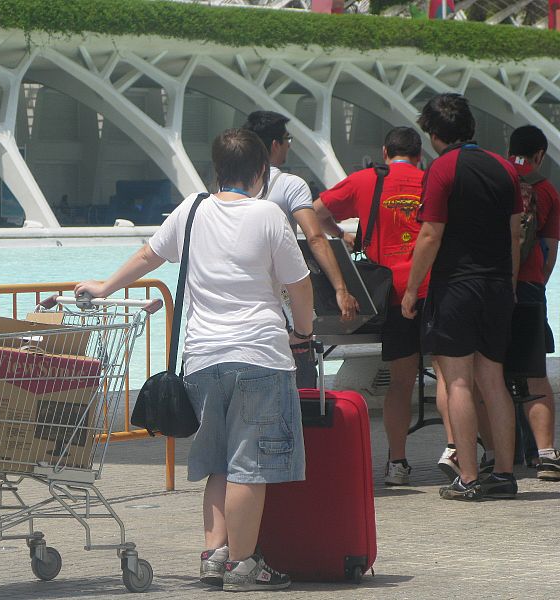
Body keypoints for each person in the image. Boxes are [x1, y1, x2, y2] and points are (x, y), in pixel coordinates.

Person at [75, 128, 313, 591]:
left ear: (216, 171)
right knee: (251, 464)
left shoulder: (192, 208)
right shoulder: (268, 215)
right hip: (259, 355)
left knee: (218, 460)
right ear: (262, 172)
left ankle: (214, 554)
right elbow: (299, 285)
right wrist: (303, 331)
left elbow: (149, 254)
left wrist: (105, 287)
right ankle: (244, 565)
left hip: (202, 357)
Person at [402, 93, 521, 501]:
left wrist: (412, 289)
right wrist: (510, 282)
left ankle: (468, 478)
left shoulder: (442, 169)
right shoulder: (504, 167)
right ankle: (504, 474)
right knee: (494, 380)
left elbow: (431, 233)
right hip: (497, 286)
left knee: (458, 383)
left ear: (434, 134)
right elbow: (514, 233)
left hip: (456, 286)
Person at [313, 126, 440, 486]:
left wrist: (342, 234)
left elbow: (317, 211)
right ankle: (458, 455)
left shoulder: (365, 180)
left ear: (386, 152)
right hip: (434, 288)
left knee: (400, 383)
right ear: (419, 155)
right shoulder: (432, 179)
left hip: (391, 294)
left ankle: (397, 464)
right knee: (451, 378)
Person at [243, 111, 358, 387]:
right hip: (283, 300)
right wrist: (341, 289)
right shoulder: (290, 185)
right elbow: (315, 237)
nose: (289, 145)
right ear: (274, 145)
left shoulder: (233, 187)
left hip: (242, 300)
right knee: (299, 383)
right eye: (286, 139)